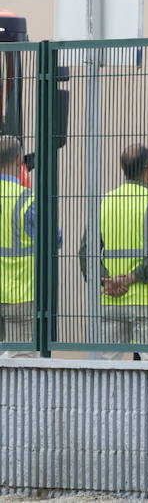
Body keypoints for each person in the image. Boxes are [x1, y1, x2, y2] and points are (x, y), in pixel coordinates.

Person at [80, 144, 148, 359]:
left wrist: (106, 281)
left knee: (106, 369)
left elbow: (86, 251)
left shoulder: (103, 202)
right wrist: (131, 278)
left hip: (111, 299)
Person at [0, 136, 42, 356]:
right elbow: (53, 239)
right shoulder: (28, 199)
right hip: (20, 293)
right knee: (21, 361)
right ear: (19, 160)